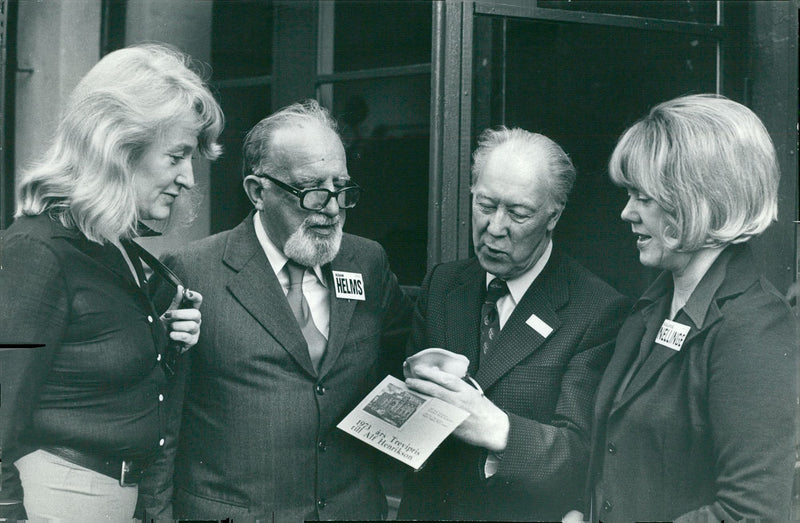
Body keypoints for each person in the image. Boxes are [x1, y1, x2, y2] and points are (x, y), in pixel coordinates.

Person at [151, 99, 412, 521]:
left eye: (341, 189)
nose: (330, 209)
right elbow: (161, 418)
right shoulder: (192, 271)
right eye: (311, 190)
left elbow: (408, 362)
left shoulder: (367, 262)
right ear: (258, 191)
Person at [0, 43, 222, 521]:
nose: (188, 177)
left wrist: (164, 336)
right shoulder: (37, 251)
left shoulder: (112, 248)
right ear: (119, 146)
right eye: (177, 156)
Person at [581, 94, 796, 522]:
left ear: (700, 199)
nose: (627, 213)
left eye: (643, 198)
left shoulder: (755, 329)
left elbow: (750, 514)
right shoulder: (652, 306)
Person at [397, 127, 631, 521]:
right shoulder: (442, 285)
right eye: (485, 205)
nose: (495, 227)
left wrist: (498, 429)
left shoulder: (596, 310)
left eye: (518, 213)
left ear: (553, 215)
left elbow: (584, 456)